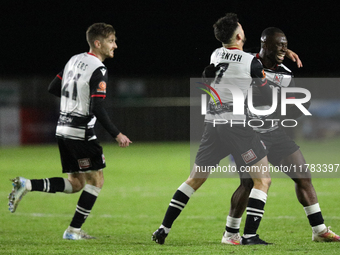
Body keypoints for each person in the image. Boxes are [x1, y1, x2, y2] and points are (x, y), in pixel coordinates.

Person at [152, 13, 276, 245]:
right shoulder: (251, 63)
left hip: (213, 124)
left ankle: (163, 228)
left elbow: (232, 62)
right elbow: (266, 93)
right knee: (263, 179)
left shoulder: (216, 54)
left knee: (195, 179)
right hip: (237, 125)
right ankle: (250, 236)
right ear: (239, 34)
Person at [8, 23, 132, 240]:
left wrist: (72, 100)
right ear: (98, 43)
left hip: (63, 128)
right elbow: (97, 107)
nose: (115, 45)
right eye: (111, 41)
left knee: (76, 184)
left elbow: (52, 88)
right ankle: (73, 231)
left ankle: (26, 184)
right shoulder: (99, 69)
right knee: (97, 181)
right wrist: (117, 134)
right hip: (80, 132)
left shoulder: (73, 60)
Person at [221, 27, 340, 245]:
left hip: (274, 132)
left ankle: (319, 230)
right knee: (249, 183)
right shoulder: (247, 63)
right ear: (264, 45)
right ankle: (231, 234)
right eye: (279, 45)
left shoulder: (285, 72)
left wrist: (295, 106)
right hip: (248, 133)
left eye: (286, 45)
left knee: (303, 176)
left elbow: (285, 104)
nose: (283, 49)